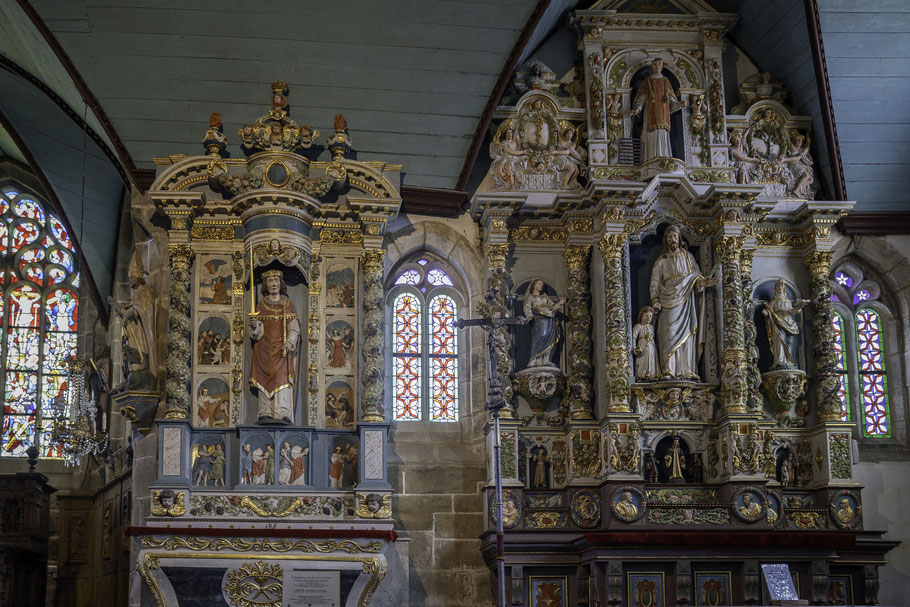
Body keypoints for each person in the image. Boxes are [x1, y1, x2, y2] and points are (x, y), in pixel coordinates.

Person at [649, 226, 717, 379]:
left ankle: (687, 369)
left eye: (675, 236)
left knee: (688, 333)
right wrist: (655, 300)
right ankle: (668, 369)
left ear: (679, 238)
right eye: (669, 237)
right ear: (666, 240)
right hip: (667, 300)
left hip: (686, 299)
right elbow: (654, 283)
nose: (672, 239)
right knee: (668, 333)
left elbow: (696, 276)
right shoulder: (661, 262)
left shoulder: (688, 257)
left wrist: (702, 283)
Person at [249, 269, 300, 423]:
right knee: (263, 379)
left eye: (276, 281)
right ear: (266, 284)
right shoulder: (261, 305)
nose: (273, 284)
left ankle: (282, 411)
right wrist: (254, 326)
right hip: (263, 349)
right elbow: (258, 333)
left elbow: (293, 326)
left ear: (281, 283)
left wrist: (290, 342)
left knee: (282, 379)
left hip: (281, 349)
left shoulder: (287, 303)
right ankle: (265, 411)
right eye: (270, 281)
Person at [631, 57, 683, 162]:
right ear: (652, 67)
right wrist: (637, 109)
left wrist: (679, 104)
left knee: (662, 134)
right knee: (651, 135)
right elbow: (641, 99)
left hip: (663, 115)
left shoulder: (666, 81)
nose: (657, 66)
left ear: (662, 66)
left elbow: (671, 99)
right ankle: (650, 158)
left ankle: (664, 156)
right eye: (655, 64)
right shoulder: (647, 82)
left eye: (659, 64)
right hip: (650, 115)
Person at [762, 279, 809, 369]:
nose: (780, 287)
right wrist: (766, 314)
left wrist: (800, 306)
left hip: (788, 323)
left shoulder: (787, 300)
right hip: (777, 323)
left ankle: (788, 360)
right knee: (779, 340)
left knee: (789, 343)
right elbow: (770, 312)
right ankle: (780, 360)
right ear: (775, 288)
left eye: (782, 286)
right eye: (778, 285)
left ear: (784, 288)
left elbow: (792, 311)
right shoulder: (773, 301)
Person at [523, 279, 566, 369]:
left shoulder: (545, 298)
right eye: (539, 284)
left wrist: (560, 303)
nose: (541, 286)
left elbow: (553, 308)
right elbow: (527, 307)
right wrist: (529, 316)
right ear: (534, 285)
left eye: (542, 284)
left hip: (549, 319)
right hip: (538, 318)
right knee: (541, 335)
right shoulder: (530, 297)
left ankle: (545, 359)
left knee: (549, 337)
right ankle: (533, 359)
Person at [489, 119, 527, 189]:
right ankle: (511, 185)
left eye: (510, 132)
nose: (509, 134)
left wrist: (519, 122)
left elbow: (517, 132)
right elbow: (510, 152)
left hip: (516, 158)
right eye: (507, 133)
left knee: (519, 164)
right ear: (505, 134)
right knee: (508, 165)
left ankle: (519, 182)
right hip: (506, 159)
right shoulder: (504, 143)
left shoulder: (514, 141)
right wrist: (523, 152)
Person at [632, 306, 659, 380]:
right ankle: (642, 375)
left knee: (652, 359)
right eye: (646, 315)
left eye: (650, 316)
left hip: (651, 346)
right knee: (643, 360)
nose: (649, 318)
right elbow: (633, 337)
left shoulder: (651, 327)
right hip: (642, 346)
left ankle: (652, 374)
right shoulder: (638, 326)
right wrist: (634, 348)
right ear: (641, 316)